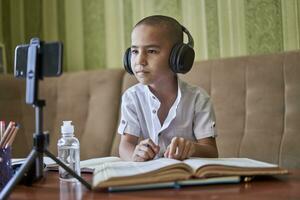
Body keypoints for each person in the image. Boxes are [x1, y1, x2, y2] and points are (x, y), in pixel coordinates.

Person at [118, 15, 218, 162]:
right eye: (134, 51)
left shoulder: (198, 99)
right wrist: (134, 155)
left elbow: (212, 151)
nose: (139, 60)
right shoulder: (131, 98)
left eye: (151, 51)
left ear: (178, 57)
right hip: (149, 177)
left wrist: (192, 148)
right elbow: (125, 145)